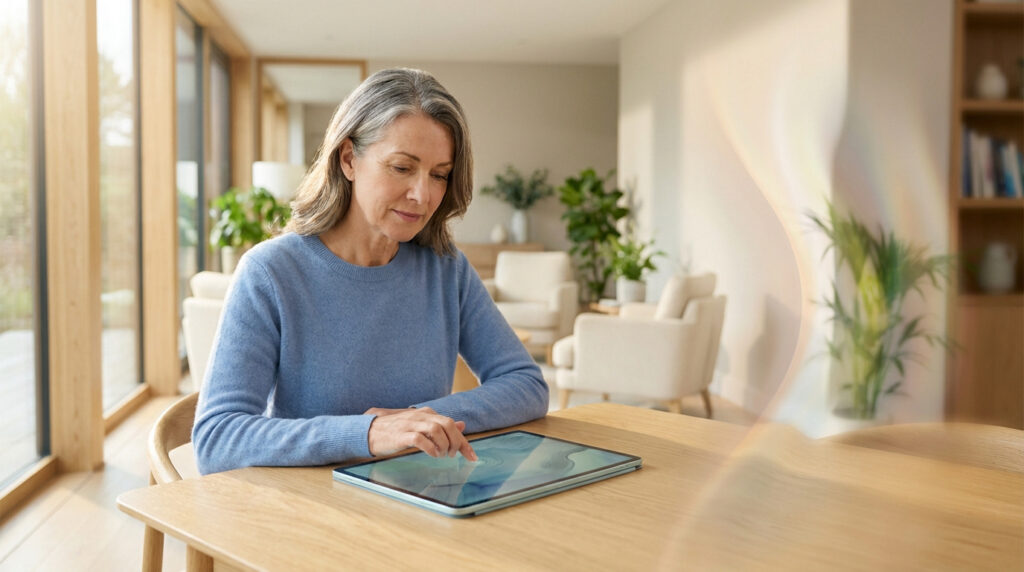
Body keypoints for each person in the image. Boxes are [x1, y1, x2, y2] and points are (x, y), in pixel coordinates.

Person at [192, 68, 549, 475]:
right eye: (402, 167)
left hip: (420, 494)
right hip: (310, 504)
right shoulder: (270, 273)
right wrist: (368, 433)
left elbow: (526, 385)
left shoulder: (445, 268)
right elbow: (217, 438)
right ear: (348, 159)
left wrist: (417, 423)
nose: (422, 195)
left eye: (439, 175)